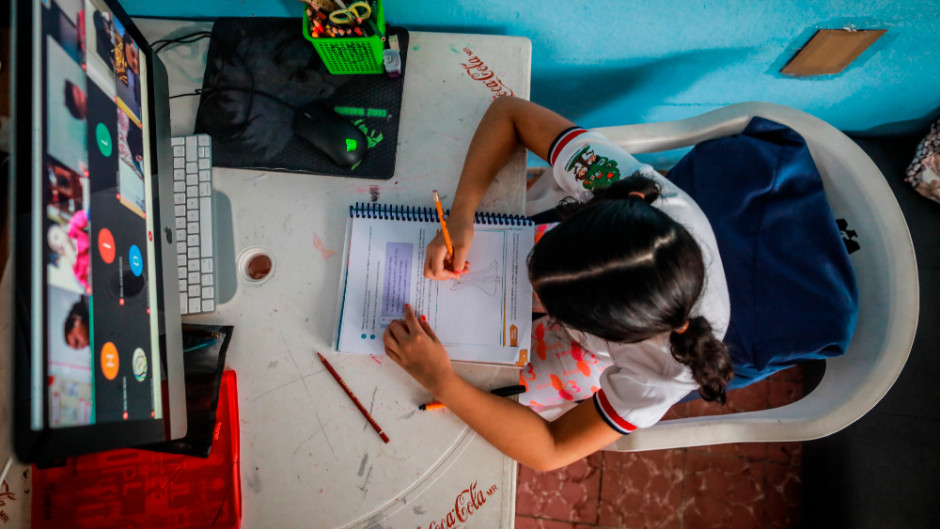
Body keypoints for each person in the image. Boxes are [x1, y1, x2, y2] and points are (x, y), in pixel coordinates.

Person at [382, 96, 733, 471]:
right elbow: (509, 114)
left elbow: (552, 448)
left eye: (545, 302)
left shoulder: (661, 375)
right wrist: (462, 215)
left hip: (589, 356)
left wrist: (444, 382)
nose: (529, 294)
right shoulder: (635, 197)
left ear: (610, 333)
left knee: (483, 387)